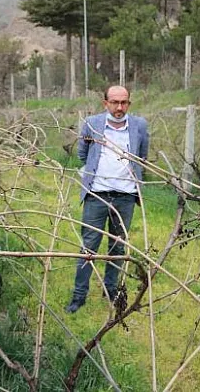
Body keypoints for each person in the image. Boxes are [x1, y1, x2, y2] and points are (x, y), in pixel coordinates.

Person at [65, 85, 150, 314]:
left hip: (125, 196)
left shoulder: (139, 126)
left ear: (128, 104)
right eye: (114, 102)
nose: (119, 107)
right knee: (89, 245)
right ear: (105, 104)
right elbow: (83, 153)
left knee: (117, 246)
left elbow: (142, 156)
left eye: (124, 102)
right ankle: (78, 296)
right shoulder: (93, 124)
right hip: (97, 194)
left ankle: (111, 291)